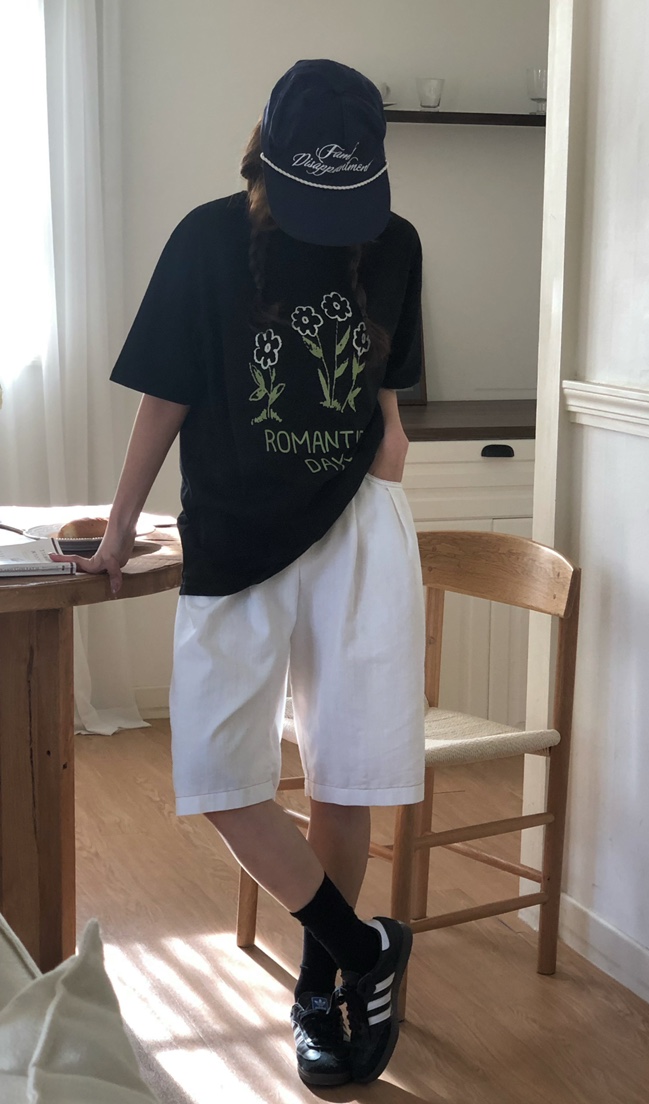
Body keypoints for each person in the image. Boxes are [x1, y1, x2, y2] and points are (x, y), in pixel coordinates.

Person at [57, 59, 426, 1088]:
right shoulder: (207, 239)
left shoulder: (395, 243)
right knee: (220, 775)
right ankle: (364, 945)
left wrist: (391, 437)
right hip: (233, 533)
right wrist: (120, 524)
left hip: (356, 527)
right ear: (266, 155)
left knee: (344, 771)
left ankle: (322, 993)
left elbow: (387, 381)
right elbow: (165, 396)